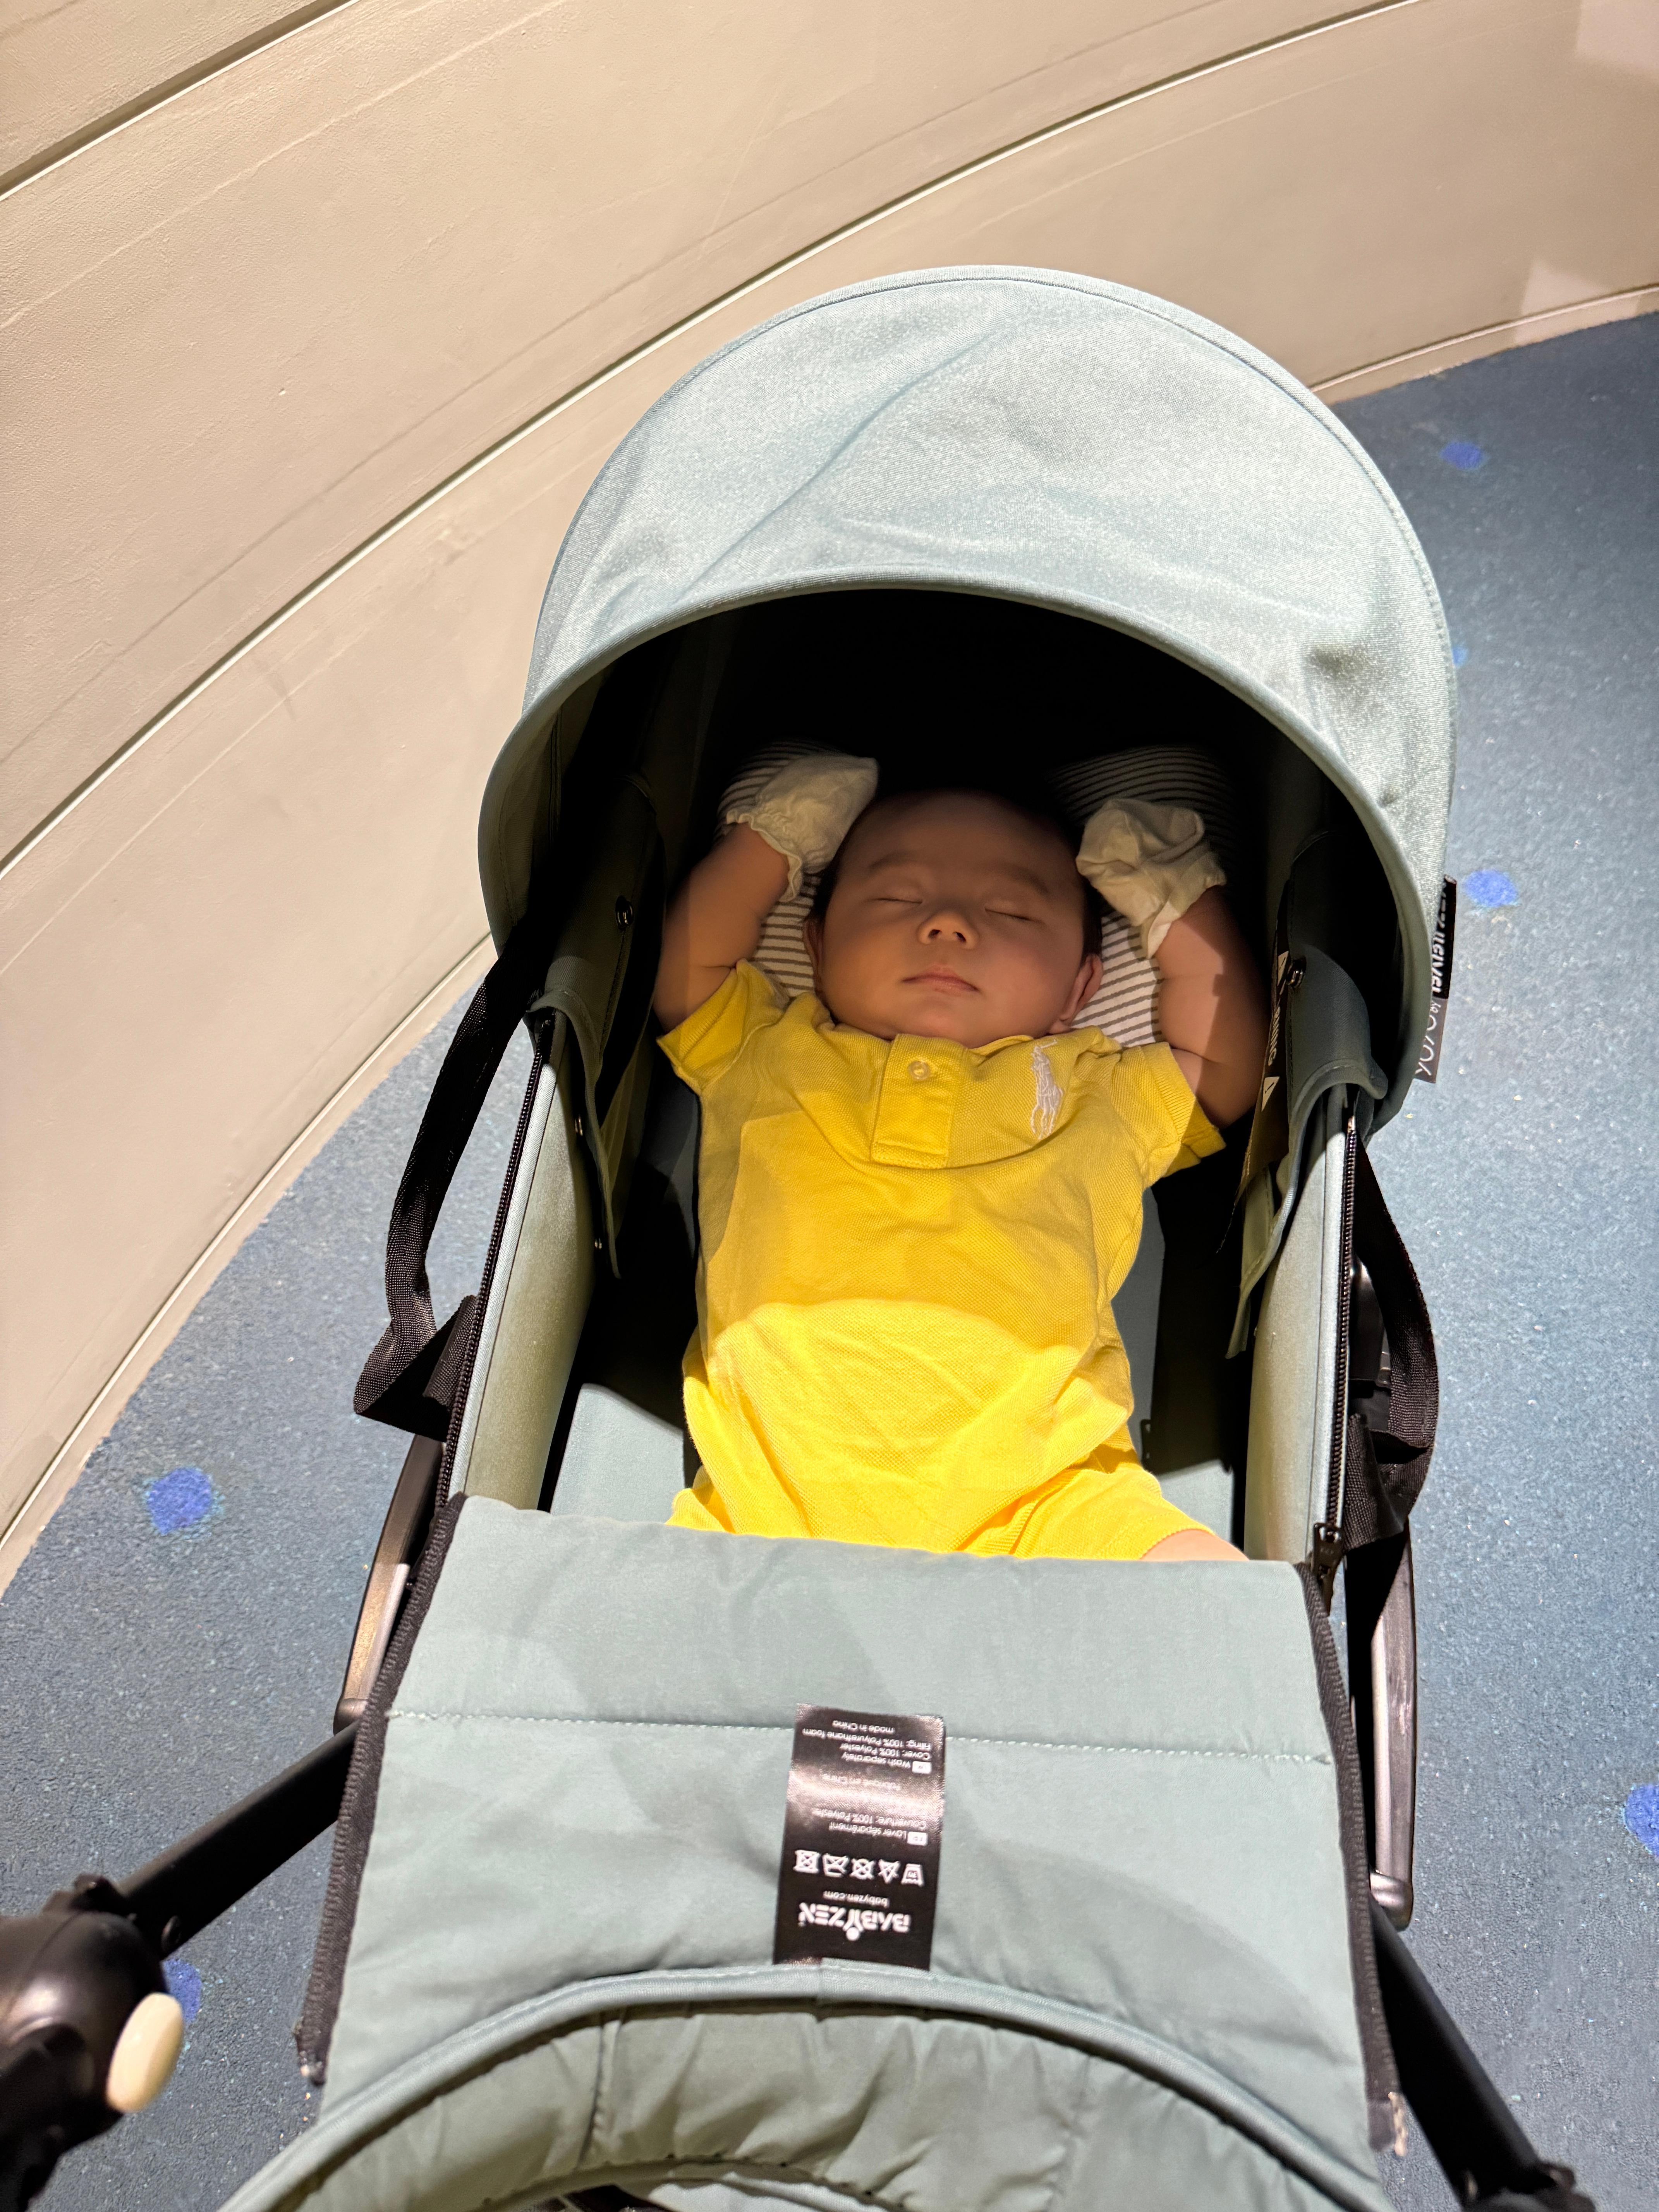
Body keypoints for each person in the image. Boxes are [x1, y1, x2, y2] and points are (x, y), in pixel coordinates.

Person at [652, 754, 1268, 1562]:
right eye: (897, 898)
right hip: (763, 1501)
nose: (948, 924)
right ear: (817, 946)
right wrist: (774, 842)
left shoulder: (1095, 1089)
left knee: (1217, 1597)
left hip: (1047, 1503)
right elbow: (682, 968)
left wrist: (1174, 900)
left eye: (1010, 911)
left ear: (1079, 989)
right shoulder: (765, 1047)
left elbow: (1230, 1064)